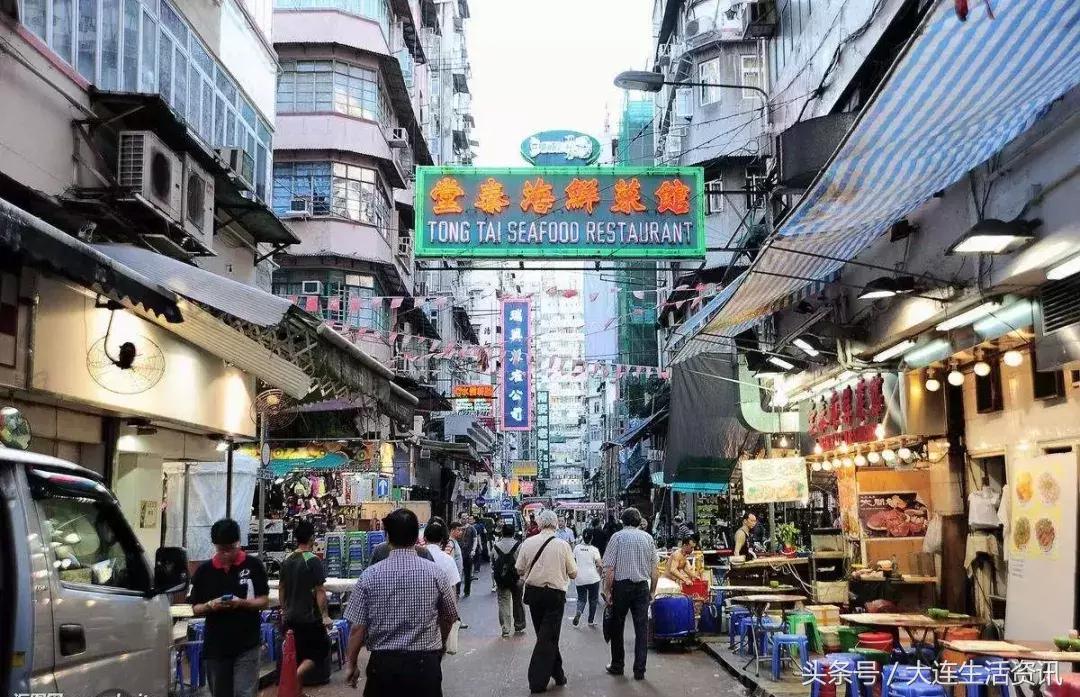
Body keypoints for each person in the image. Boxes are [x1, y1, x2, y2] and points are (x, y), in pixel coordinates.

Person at [344, 508, 458, 697]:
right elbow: (449, 616)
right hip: (424, 667)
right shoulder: (435, 573)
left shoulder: (369, 576)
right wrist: (441, 645)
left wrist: (352, 664)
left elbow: (357, 628)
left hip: (383, 668)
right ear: (416, 537)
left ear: (388, 538)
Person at [188, 519, 270, 697]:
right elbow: (195, 608)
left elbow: (264, 600)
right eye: (221, 549)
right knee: (220, 693)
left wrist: (241, 603)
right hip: (216, 647)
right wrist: (211, 605)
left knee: (245, 693)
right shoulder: (205, 571)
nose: (225, 554)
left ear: (238, 543)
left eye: (230, 548)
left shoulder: (253, 566)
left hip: (247, 644)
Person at [516, 509, 577, 693]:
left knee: (545, 636)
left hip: (534, 594)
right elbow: (574, 573)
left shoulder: (528, 543)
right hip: (555, 595)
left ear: (540, 524)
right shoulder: (563, 545)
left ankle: (558, 674)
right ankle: (537, 681)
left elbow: (519, 569)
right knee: (548, 637)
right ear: (556, 525)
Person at [602, 507, 659, 681]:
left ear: (623, 521)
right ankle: (639, 670)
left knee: (617, 627)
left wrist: (607, 591)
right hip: (641, 586)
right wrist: (652, 591)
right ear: (638, 520)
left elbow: (609, 568)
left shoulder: (617, 537)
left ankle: (618, 665)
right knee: (642, 629)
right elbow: (655, 570)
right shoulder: (648, 538)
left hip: (622, 587)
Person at [279, 520, 331, 684]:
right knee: (320, 650)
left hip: (290, 616)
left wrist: (284, 610)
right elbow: (320, 591)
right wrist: (324, 615)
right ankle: (292, 680)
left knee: (298, 652)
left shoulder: (287, 560)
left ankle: (297, 688)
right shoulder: (313, 560)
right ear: (312, 538)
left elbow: (281, 589)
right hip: (309, 617)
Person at [492, 523, 527, 637]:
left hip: (501, 579)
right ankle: (519, 624)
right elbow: (523, 563)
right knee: (517, 601)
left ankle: (505, 628)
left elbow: (493, 562)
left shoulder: (496, 546)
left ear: (502, 532)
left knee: (503, 602)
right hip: (516, 578)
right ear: (513, 533)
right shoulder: (519, 545)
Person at [571, 529, 603, 627]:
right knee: (593, 600)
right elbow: (599, 564)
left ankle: (579, 612)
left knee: (581, 598)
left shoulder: (576, 548)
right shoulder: (594, 550)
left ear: (582, 537)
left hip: (580, 577)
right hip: (593, 578)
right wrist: (600, 575)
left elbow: (573, 561)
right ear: (591, 538)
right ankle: (590, 621)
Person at [423, 522, 461, 588]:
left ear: (424, 538)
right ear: (442, 539)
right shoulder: (448, 560)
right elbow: (452, 587)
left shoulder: (416, 557)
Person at [456, 518, 478, 597]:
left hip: (468, 554)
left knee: (467, 573)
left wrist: (473, 550)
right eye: (462, 517)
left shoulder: (472, 528)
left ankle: (467, 591)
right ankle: (457, 591)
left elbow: (475, 540)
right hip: (458, 554)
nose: (464, 519)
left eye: (466, 517)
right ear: (460, 518)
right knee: (457, 573)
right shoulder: (457, 528)